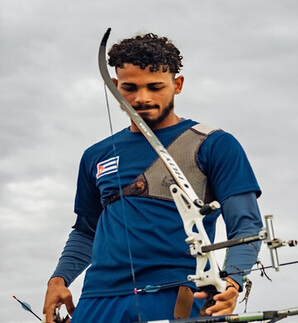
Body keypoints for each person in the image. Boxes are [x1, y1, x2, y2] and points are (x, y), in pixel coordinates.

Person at [43, 33, 264, 322]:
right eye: (129, 88)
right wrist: (59, 279)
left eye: (155, 87)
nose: (141, 98)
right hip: (97, 300)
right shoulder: (95, 155)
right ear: (114, 87)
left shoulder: (213, 143)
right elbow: (87, 230)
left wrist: (232, 281)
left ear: (178, 85)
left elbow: (246, 223)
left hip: (178, 294)